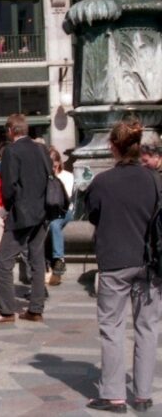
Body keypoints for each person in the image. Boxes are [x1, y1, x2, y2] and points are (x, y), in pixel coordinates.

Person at [84, 119, 160, 414]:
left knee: (112, 327)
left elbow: (92, 215)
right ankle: (142, 394)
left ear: (113, 147)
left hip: (115, 260)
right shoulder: (154, 179)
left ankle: (114, 394)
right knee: (148, 327)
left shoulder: (102, 181)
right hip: (149, 261)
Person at [0, 114, 51, 324]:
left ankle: (5, 311)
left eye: (7, 131)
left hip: (22, 213)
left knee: (3, 260)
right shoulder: (41, 149)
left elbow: (9, 185)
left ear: (12, 130)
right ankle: (36, 309)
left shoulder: (12, 151)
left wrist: (7, 207)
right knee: (37, 260)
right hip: (42, 212)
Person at [48, 147, 74, 286]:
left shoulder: (67, 176)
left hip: (63, 211)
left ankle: (59, 259)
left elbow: (67, 198)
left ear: (58, 162)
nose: (51, 167)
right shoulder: (44, 177)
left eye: (53, 164)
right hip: (48, 211)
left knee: (54, 224)